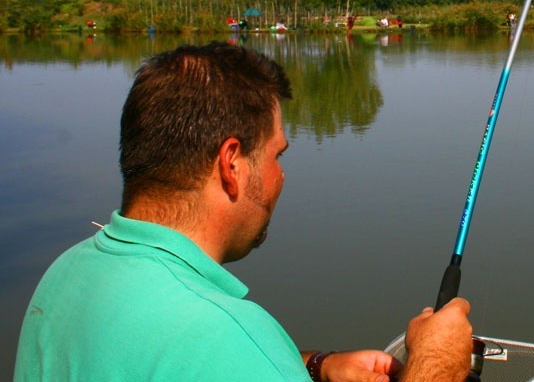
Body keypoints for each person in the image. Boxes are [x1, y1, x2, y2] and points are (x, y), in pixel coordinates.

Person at [15, 42, 473, 381]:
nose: (281, 177)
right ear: (231, 164)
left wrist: (316, 367)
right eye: (278, 156)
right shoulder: (221, 332)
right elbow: (215, 352)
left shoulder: (67, 274)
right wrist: (437, 366)